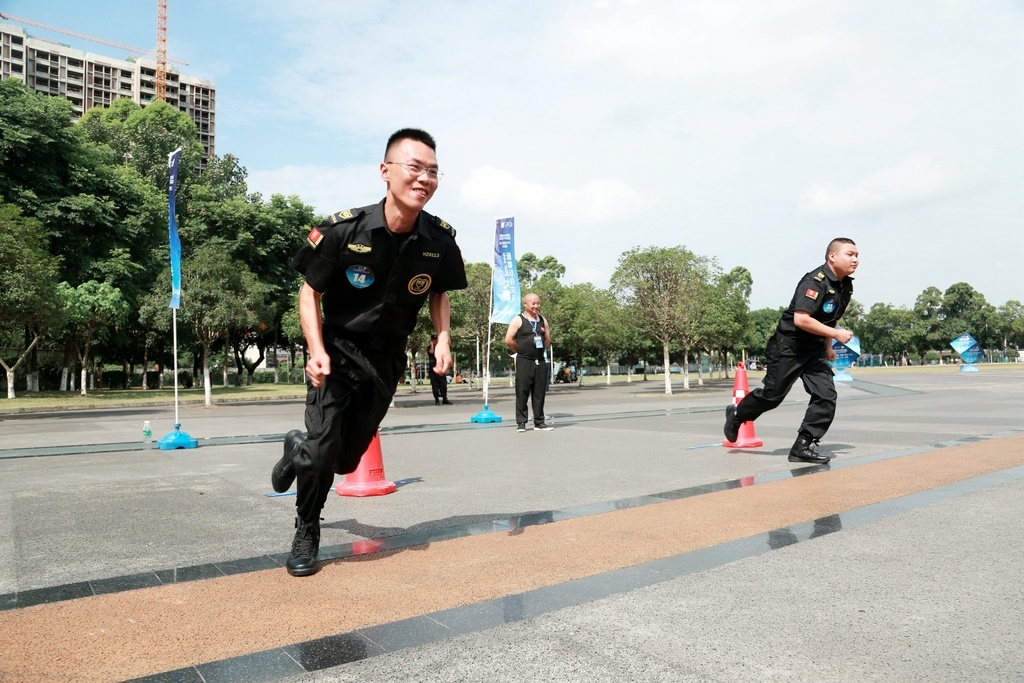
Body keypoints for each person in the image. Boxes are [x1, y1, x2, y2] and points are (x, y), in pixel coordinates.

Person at [270, 128, 467, 577]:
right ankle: (306, 529)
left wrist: (443, 337)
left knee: (345, 459)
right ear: (386, 171)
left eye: (432, 172)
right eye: (414, 168)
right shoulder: (344, 230)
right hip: (337, 350)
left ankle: (297, 449)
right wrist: (315, 349)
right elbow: (308, 294)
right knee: (324, 452)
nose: (424, 179)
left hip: (387, 358)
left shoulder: (439, 240)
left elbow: (439, 293)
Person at [724, 238, 859, 464]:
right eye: (850, 254)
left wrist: (827, 346)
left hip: (814, 351)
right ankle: (737, 414)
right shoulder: (814, 282)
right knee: (772, 396)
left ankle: (803, 445)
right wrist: (836, 336)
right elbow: (801, 319)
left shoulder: (846, 285)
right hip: (788, 348)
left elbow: (831, 317)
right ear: (832, 256)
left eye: (857, 255)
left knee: (826, 395)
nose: (855, 259)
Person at [504, 293, 553, 432]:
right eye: (533, 303)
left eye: (538, 303)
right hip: (524, 360)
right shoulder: (518, 320)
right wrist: (521, 350)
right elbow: (508, 339)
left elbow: (547, 340)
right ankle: (521, 422)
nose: (536, 306)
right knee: (522, 392)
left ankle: (539, 422)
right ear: (525, 304)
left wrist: (543, 346)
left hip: (541, 361)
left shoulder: (543, 320)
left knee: (539, 393)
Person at [427, 333, 451, 405]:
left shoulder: (441, 348)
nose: (434, 341)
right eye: (433, 339)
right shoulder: (429, 348)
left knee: (443, 383)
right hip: (433, 367)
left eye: (436, 339)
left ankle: (444, 398)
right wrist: (432, 345)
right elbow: (431, 352)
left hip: (441, 367)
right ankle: (436, 399)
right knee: (434, 384)